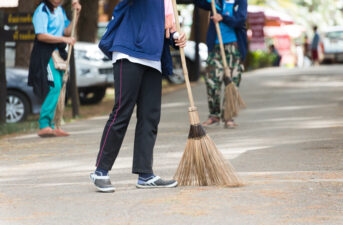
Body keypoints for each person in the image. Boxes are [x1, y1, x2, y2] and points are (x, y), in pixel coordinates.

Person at [89, 0, 187, 192]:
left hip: (153, 58)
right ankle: (101, 171)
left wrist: (175, 36)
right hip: (129, 52)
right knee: (122, 112)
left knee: (150, 116)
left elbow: (161, 26)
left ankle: (145, 174)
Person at [28, 0, 81, 137]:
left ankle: (55, 124)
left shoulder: (60, 11)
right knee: (54, 86)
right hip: (46, 54)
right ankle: (44, 124)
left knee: (61, 88)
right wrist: (63, 40)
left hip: (58, 54)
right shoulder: (42, 10)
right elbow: (41, 35)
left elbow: (67, 31)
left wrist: (77, 13)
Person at [193, 0, 248, 128]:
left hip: (234, 48)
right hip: (216, 47)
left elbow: (240, 20)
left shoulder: (240, 2)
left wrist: (223, 17)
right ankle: (214, 115)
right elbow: (200, 3)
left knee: (233, 82)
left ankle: (228, 117)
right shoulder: (215, 2)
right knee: (212, 81)